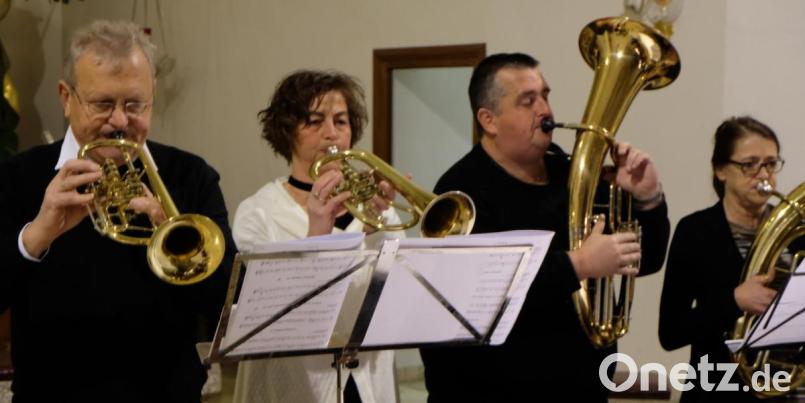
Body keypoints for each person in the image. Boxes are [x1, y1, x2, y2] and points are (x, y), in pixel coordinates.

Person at [0, 20, 236, 402]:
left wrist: (168, 227)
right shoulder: (17, 177)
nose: (121, 121)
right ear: (65, 97)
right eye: (103, 104)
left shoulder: (191, 177)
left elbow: (227, 308)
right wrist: (36, 235)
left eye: (135, 104)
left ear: (152, 95)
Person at [419, 53, 670, 402]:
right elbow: (480, 291)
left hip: (582, 386)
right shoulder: (461, 193)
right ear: (488, 120)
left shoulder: (571, 173)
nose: (545, 110)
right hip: (492, 392)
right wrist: (577, 265)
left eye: (545, 96)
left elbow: (646, 259)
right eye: (528, 100)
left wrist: (648, 199)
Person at [231, 70, 400, 403]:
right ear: (287, 131)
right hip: (293, 386)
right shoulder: (258, 212)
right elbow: (271, 313)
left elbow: (394, 299)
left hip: (369, 384)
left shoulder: (379, 212)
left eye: (341, 121)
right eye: (314, 121)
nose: (331, 134)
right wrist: (317, 230)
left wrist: (375, 228)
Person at [659, 116, 805, 402]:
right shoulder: (696, 231)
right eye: (749, 164)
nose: (763, 175)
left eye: (770, 164)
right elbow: (671, 332)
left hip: (789, 392)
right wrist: (734, 301)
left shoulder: (796, 231)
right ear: (721, 170)